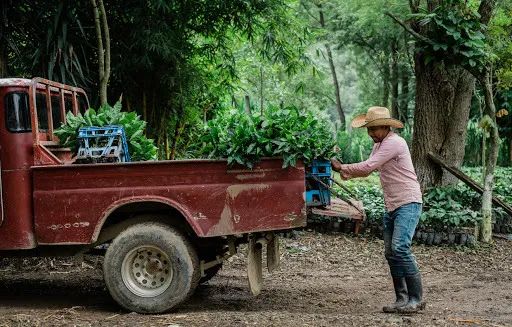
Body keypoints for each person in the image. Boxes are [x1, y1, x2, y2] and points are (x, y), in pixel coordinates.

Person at [331, 106, 425, 314]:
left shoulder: (394, 142)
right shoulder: (380, 145)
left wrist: (341, 167)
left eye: (374, 130)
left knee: (400, 248)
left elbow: (368, 166)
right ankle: (401, 299)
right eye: (369, 130)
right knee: (391, 253)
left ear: (385, 127)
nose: (371, 134)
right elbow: (367, 171)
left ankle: (416, 299)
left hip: (408, 202)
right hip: (392, 204)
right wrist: (343, 170)